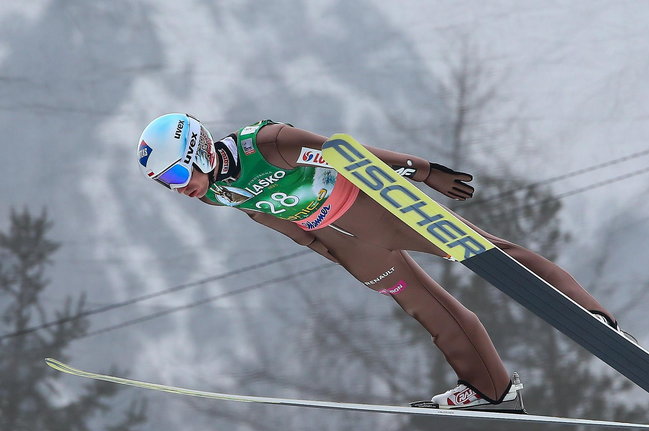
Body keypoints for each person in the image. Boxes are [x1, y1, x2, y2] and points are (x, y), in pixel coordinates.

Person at [137, 113, 621, 412]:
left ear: (198, 150)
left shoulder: (267, 144)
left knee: (489, 253)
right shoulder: (213, 192)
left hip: (377, 208)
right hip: (347, 242)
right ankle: (491, 389)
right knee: (425, 307)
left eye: (179, 171)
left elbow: (345, 155)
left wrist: (425, 171)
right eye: (166, 182)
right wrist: (321, 248)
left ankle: (590, 315)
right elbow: (266, 214)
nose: (180, 187)